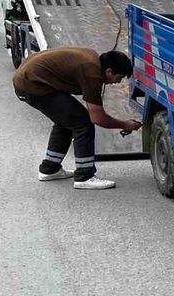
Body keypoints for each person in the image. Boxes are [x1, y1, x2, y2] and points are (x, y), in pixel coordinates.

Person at [12, 48, 142, 190]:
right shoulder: (92, 73)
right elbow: (97, 118)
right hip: (32, 85)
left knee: (67, 120)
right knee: (82, 123)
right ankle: (84, 176)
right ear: (109, 71)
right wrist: (125, 124)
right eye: (119, 77)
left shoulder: (93, 59)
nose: (117, 82)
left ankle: (50, 169)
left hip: (29, 79)